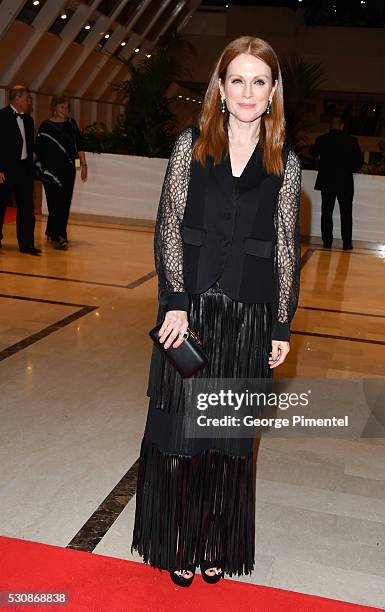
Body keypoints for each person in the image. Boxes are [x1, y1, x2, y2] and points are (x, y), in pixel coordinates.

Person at [131, 36, 301, 586]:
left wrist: (281, 322)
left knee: (228, 438)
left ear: (273, 91)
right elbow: (169, 225)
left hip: (249, 319)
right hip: (193, 314)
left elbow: (285, 247)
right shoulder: (191, 146)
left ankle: (214, 540)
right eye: (237, 80)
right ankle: (180, 536)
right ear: (220, 89)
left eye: (259, 81)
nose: (248, 91)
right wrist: (175, 301)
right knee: (182, 432)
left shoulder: (286, 163)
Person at [34, 95, 87, 250]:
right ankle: (56, 233)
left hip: (68, 171)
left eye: (67, 107)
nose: (66, 110)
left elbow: (78, 146)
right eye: (63, 107)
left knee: (64, 203)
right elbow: (38, 150)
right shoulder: (45, 126)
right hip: (50, 173)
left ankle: (59, 234)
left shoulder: (71, 124)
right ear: (55, 108)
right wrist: (36, 170)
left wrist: (83, 165)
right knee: (53, 203)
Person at [309, 115, 364, 250]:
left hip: (327, 181)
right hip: (345, 182)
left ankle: (327, 242)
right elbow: (359, 162)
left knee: (326, 212)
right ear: (342, 125)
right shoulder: (351, 141)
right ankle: (347, 243)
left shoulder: (322, 140)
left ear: (330, 126)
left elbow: (313, 152)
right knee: (346, 213)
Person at [0, 85, 40, 255]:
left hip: (24, 170)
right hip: (5, 170)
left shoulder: (29, 121)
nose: (29, 102)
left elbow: (30, 148)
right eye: (26, 98)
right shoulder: (1, 116)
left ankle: (26, 245)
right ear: (17, 99)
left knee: (26, 209)